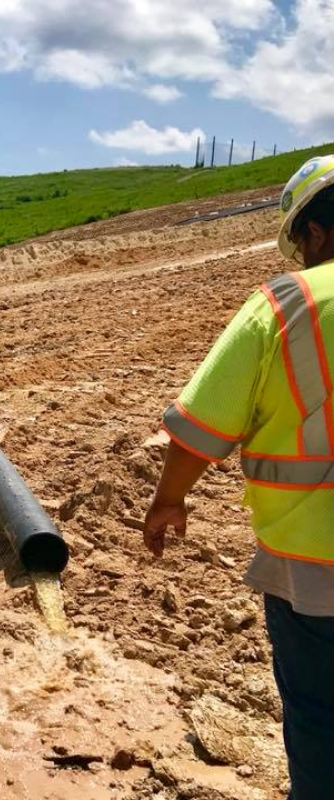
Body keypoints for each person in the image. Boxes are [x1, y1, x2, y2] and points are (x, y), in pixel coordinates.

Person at [144, 155, 334, 799]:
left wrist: (169, 499)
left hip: (315, 567)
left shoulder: (287, 305)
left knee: (319, 718)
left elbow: (203, 425)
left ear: (311, 233)